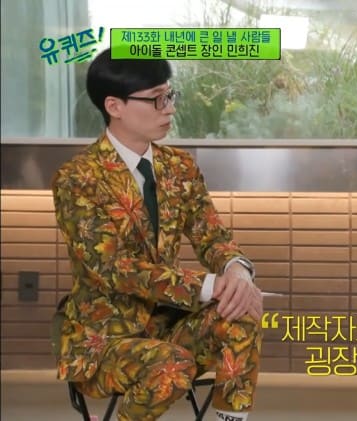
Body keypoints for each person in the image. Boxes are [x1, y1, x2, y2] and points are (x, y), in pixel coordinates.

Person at [51, 48, 263, 421]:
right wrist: (208, 286)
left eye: (169, 95)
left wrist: (237, 272)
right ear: (114, 106)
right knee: (172, 366)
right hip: (105, 340)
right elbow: (113, 268)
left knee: (241, 312)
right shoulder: (78, 178)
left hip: (170, 327)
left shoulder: (179, 167)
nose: (170, 109)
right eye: (156, 99)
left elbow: (212, 235)